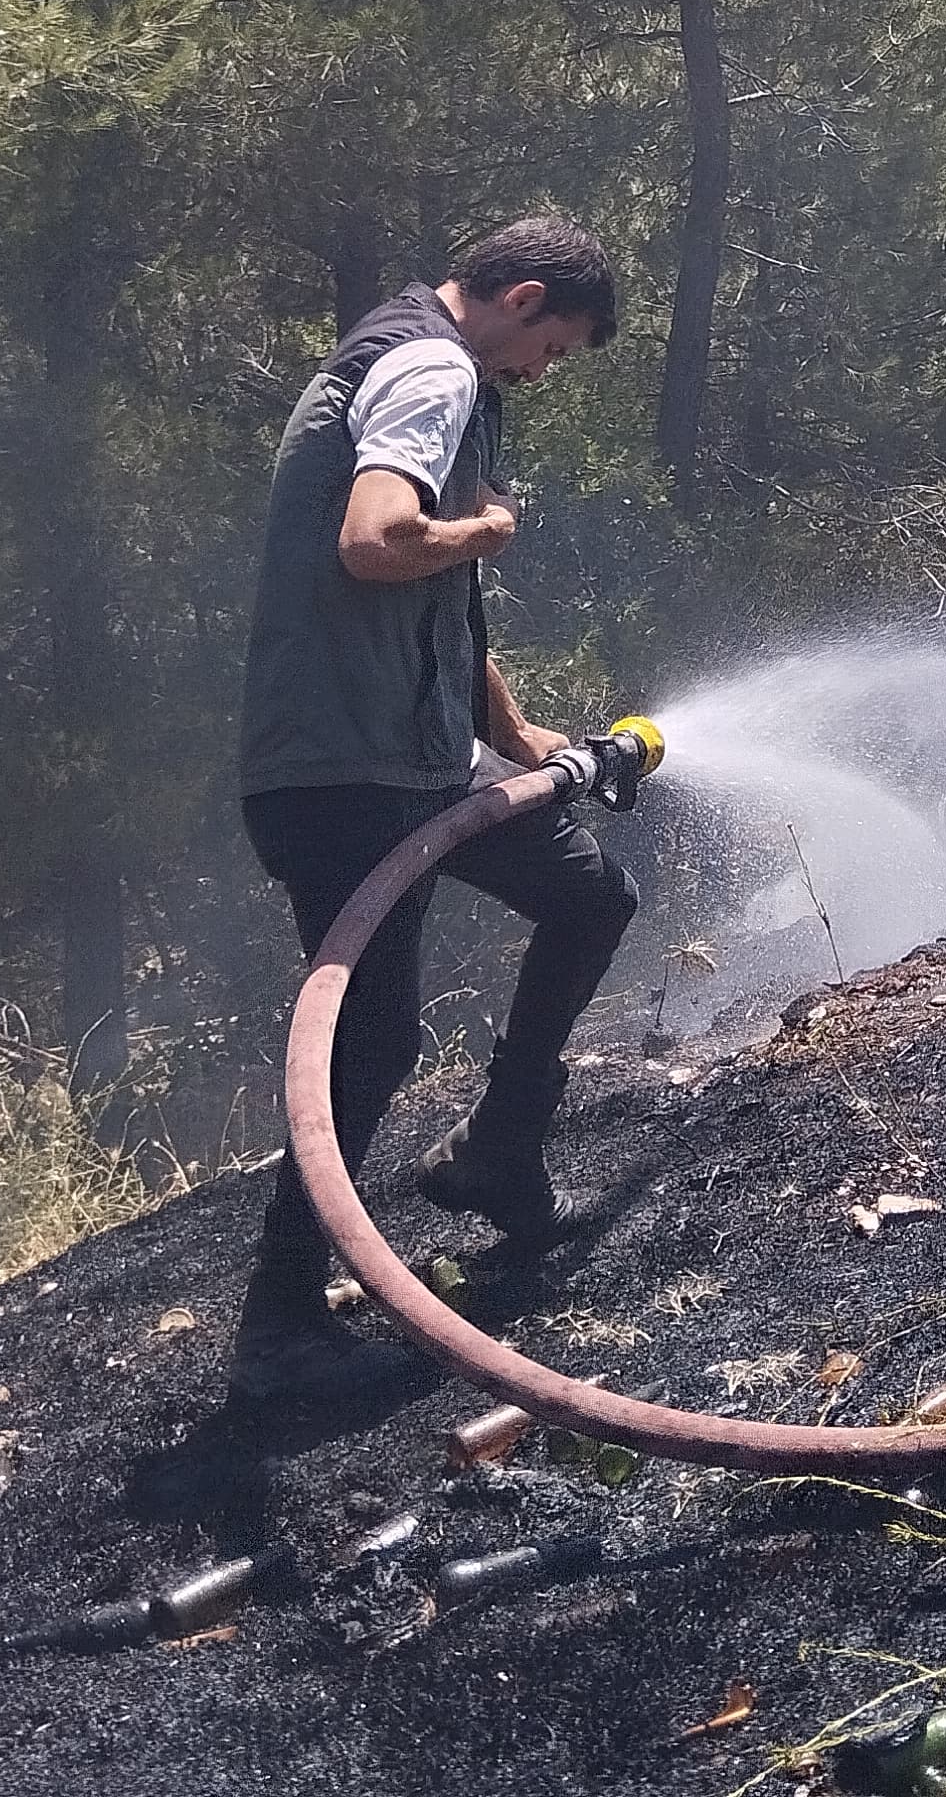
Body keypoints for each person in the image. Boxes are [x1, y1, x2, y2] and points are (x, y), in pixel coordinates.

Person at [228, 214, 638, 1403]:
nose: (540, 372)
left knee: (587, 896)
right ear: (519, 299)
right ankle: (280, 1329)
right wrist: (484, 529)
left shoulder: (417, 361)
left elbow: (429, 608)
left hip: (408, 755)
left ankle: (501, 1152)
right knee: (369, 1042)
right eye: (550, 347)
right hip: (348, 770)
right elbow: (378, 546)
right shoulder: (431, 366)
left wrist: (515, 741)